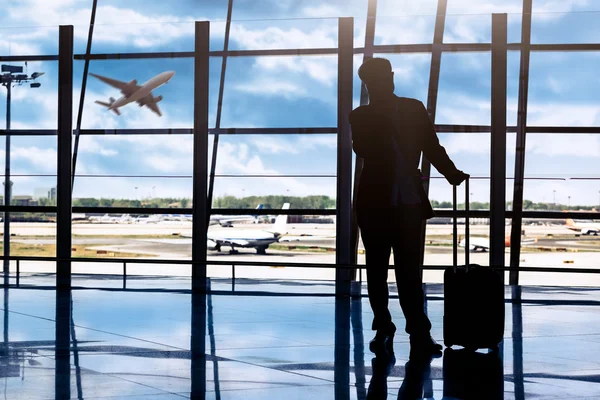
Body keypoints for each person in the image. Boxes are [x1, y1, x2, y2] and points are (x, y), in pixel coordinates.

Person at [350, 57, 468, 358]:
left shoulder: (411, 109)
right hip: (382, 202)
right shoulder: (362, 116)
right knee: (381, 271)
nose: (384, 83)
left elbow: (431, 145)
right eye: (377, 79)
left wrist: (450, 172)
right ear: (370, 83)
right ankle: (390, 326)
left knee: (405, 272)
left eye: (384, 77)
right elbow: (363, 149)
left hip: (404, 201)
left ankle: (414, 330)